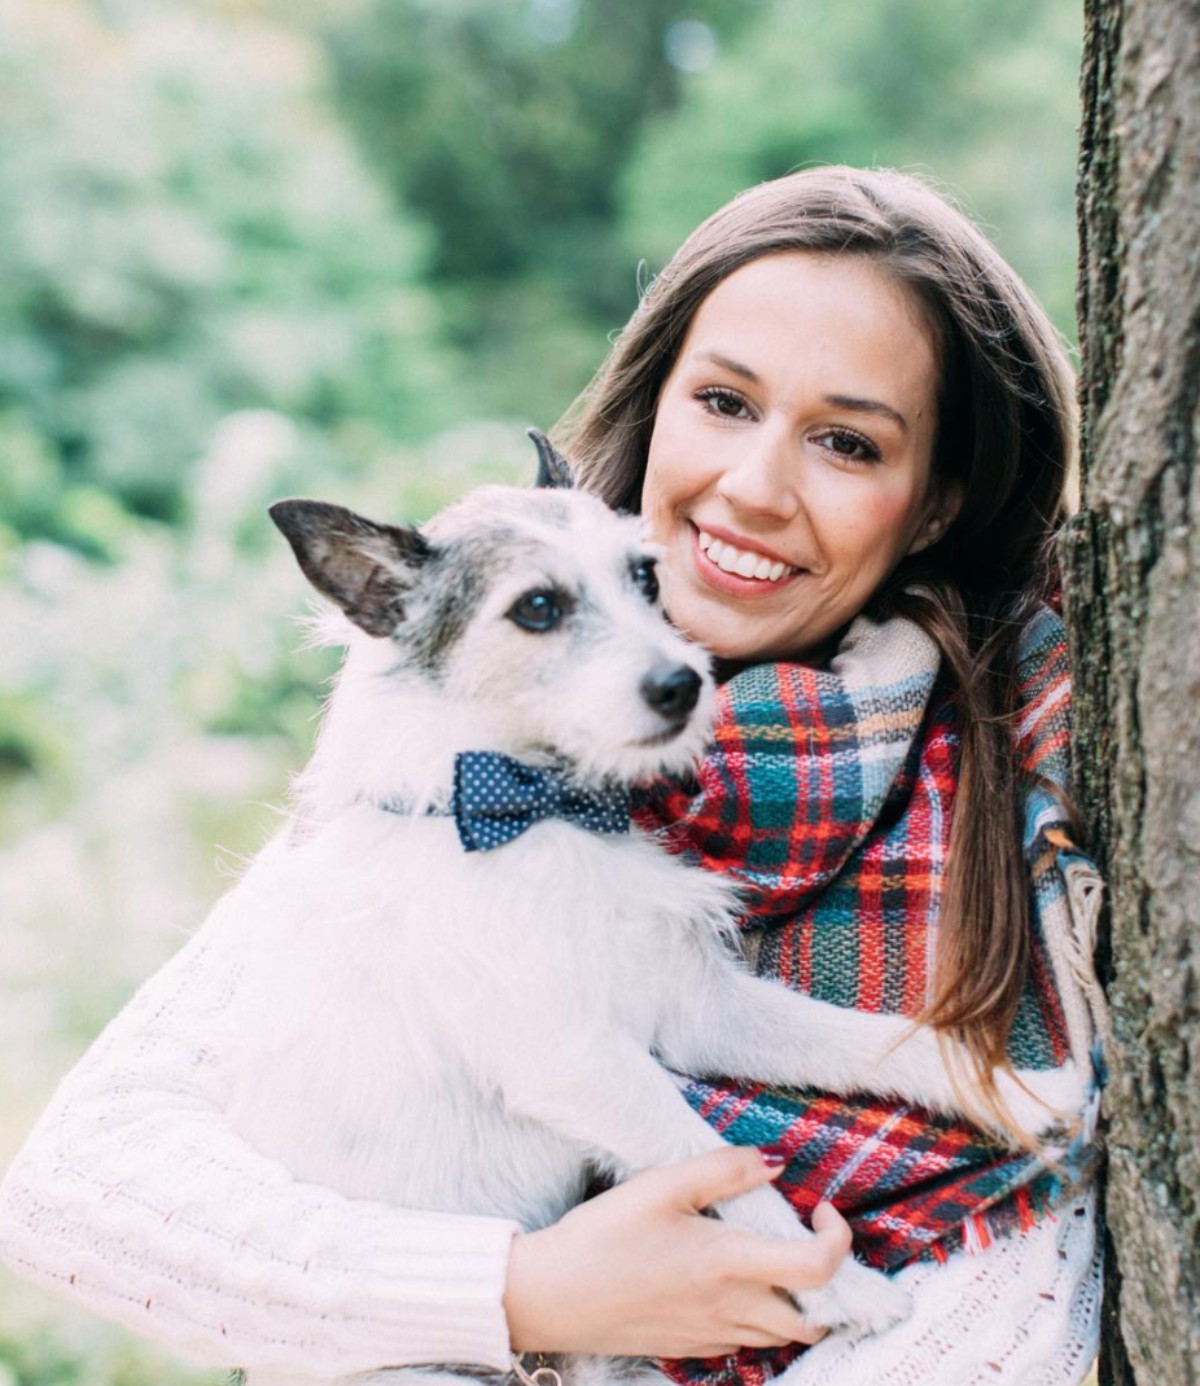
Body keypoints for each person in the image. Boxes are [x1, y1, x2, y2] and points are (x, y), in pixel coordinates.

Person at [0, 166, 1104, 1386]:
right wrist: (521, 1296)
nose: (753, 487)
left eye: (847, 441)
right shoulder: (427, 793)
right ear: (660, 399)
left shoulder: (1019, 787)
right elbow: (78, 1194)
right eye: (725, 402)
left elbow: (1014, 1312)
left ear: (940, 498)